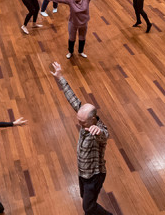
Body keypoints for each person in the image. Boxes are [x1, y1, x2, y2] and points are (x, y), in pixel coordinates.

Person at [49, 62, 112, 215]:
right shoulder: (86, 117)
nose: (79, 123)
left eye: (82, 122)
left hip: (94, 176)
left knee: (88, 207)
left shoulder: (97, 130)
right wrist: (60, 78)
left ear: (93, 120)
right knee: (85, 198)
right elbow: (73, 99)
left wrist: (99, 132)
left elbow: (105, 136)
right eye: (79, 120)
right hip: (83, 173)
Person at [44, 0, 110, 58]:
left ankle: (81, 52)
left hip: (83, 24)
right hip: (73, 23)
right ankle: (70, 52)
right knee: (72, 38)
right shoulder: (70, 1)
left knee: (82, 38)